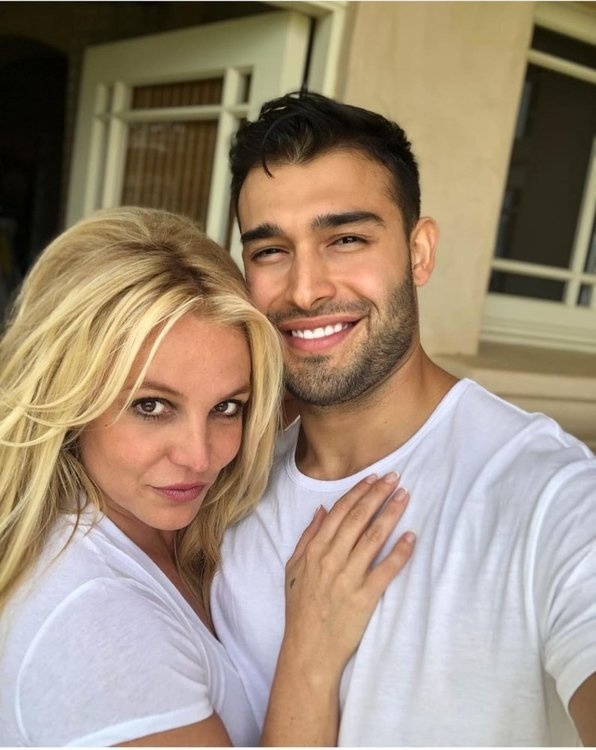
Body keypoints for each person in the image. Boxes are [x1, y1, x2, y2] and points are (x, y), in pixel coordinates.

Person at [210, 91, 596, 746]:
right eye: (270, 250)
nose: (306, 289)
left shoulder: (548, 495)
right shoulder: (226, 485)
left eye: (346, 239)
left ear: (419, 252)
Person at [0, 206, 416, 747]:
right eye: (151, 406)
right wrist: (311, 656)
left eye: (226, 407)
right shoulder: (94, 620)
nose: (200, 457)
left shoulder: (150, 534)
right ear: (68, 397)